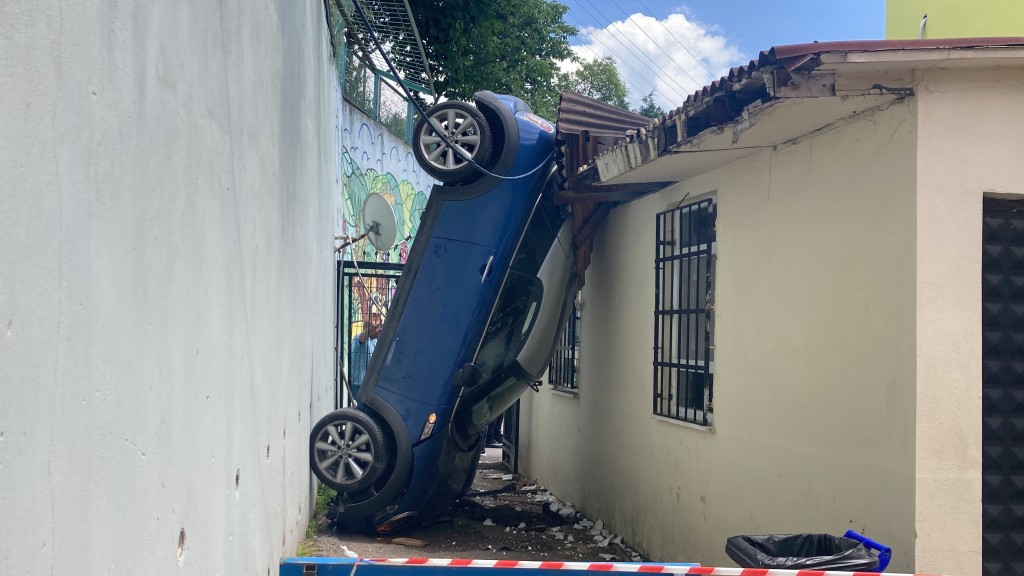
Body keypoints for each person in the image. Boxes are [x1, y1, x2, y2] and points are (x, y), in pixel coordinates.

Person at [348, 311, 382, 400]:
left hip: (368, 385)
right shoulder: (358, 337)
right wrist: (373, 328)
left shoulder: (374, 341)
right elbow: (363, 337)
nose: (378, 330)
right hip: (358, 384)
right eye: (377, 329)